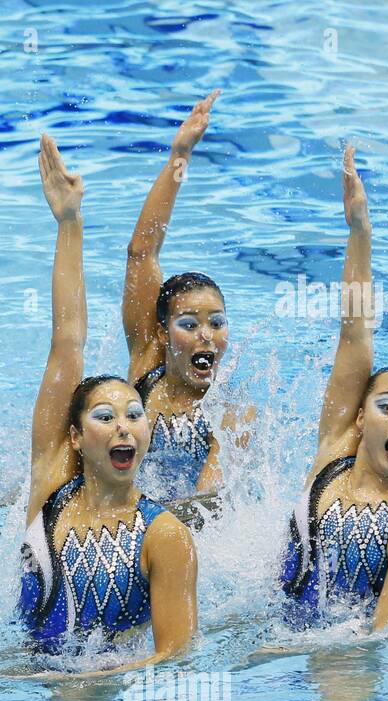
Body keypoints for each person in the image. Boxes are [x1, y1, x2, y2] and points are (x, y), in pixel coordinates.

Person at [17, 135, 198, 675]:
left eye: (134, 416)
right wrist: (69, 224)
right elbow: (67, 340)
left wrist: (86, 682)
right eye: (104, 417)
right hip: (34, 685)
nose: (124, 427)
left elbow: (175, 655)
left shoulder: (165, 534)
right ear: (74, 437)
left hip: (115, 697)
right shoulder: (49, 488)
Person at [279, 147, 388, 630]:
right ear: (357, 418)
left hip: (339, 670)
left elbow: (378, 643)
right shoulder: (333, 455)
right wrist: (359, 233)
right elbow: (355, 331)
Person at [121, 90, 254, 503]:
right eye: (190, 324)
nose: (207, 335)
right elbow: (142, 251)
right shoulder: (146, 362)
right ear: (162, 334)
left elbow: (206, 503)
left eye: (217, 322)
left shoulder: (233, 416)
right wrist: (180, 154)